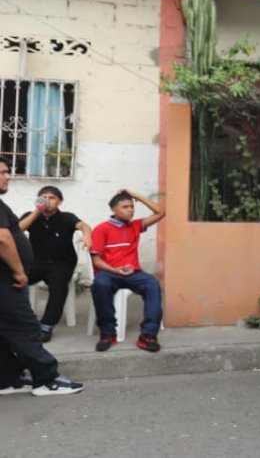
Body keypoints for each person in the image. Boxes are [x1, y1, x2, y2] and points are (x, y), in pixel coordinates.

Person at [0, 156, 84, 396]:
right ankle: (47, 380)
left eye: (7, 171)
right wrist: (19, 271)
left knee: (4, 330)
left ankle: (7, 379)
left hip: (25, 273)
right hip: (6, 279)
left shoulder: (65, 217)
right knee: (25, 328)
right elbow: (3, 239)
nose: (7, 177)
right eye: (2, 172)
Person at [90, 189, 166, 353]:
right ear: (113, 209)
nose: (130, 210)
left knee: (152, 284)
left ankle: (148, 335)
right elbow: (96, 261)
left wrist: (137, 196)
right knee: (100, 284)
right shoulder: (101, 229)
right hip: (109, 272)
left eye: (132, 207)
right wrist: (115, 270)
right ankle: (108, 333)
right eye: (125, 207)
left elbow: (160, 212)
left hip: (133, 273)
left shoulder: (136, 226)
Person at [18, 186, 92, 342]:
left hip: (62, 263)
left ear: (59, 201)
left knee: (59, 288)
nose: (47, 201)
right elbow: (17, 230)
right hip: (36, 262)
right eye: (43, 197)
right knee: (12, 281)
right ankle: (18, 318)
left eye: (51, 198)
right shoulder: (30, 216)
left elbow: (83, 226)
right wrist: (37, 212)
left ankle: (46, 326)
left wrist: (87, 235)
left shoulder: (67, 217)